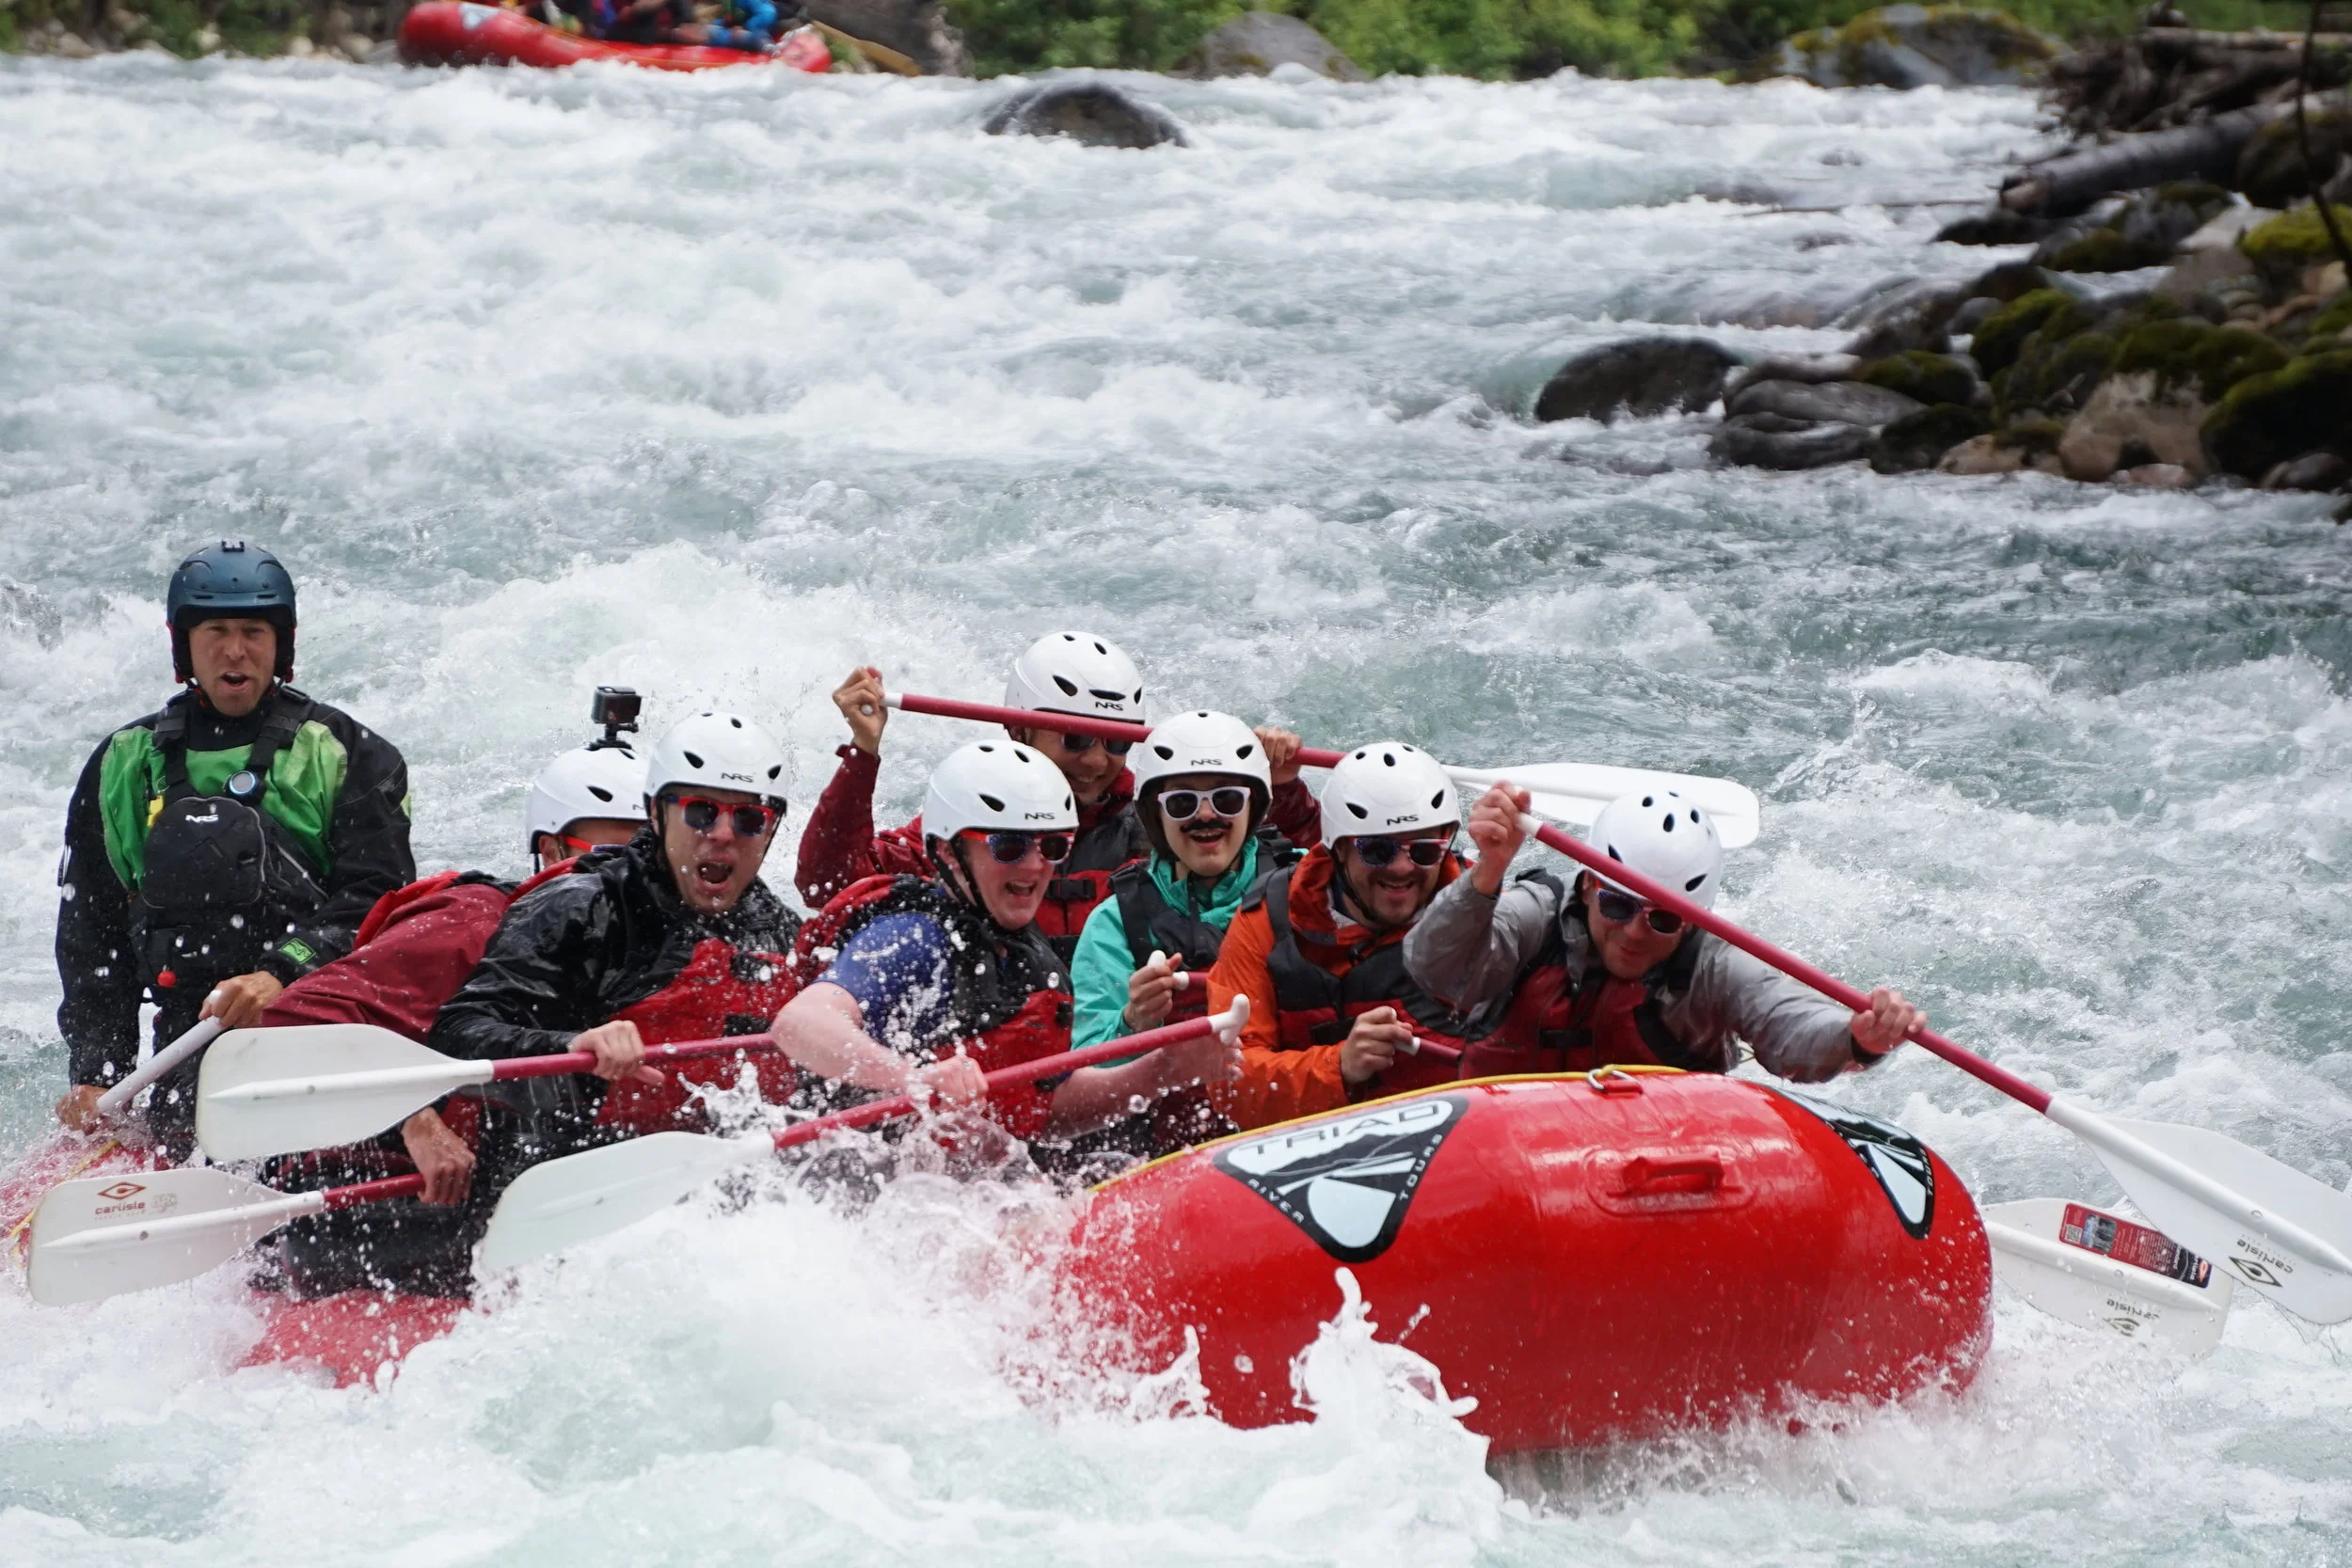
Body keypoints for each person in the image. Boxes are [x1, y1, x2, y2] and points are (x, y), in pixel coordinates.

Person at [53, 541, 414, 1155]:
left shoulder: (349, 752)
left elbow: (383, 907)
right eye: (216, 630)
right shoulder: (123, 764)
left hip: (321, 1026)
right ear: (184, 644)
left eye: (254, 630)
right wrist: (97, 1073)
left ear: (283, 643)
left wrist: (282, 972)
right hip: (188, 1040)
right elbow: (94, 934)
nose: (236, 650)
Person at [257, 735, 649, 1294]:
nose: (627, 880)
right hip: (361, 1196)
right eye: (608, 855)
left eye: (643, 861)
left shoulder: (642, 951)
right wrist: (413, 1120)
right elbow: (288, 1025)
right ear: (553, 851)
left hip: (494, 1187)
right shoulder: (471, 923)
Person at [773, 739, 1240, 1167]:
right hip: (848, 1181)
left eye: (1053, 846)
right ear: (948, 852)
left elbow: (1047, 1112)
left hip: (955, 1190)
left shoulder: (1029, 961)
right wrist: (914, 1080)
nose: (1036, 865)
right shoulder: (914, 937)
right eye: (1009, 846)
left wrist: (1160, 1069)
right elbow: (799, 1022)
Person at [796, 633, 1319, 962]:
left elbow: (1301, 881)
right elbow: (829, 885)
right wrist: (863, 753)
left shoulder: (1164, 816)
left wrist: (1284, 787)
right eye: (1074, 740)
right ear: (1018, 732)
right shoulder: (974, 820)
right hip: (1009, 1016)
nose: (1095, 761)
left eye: (1116, 743)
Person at [1406, 784, 1925, 1081]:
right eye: (1616, 904)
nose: (1634, 933)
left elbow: (1790, 1025)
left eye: (1663, 919)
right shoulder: (1537, 914)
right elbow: (1436, 971)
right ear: (1587, 886)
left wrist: (1857, 1038)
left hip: (1650, 1159)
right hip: (1506, 1140)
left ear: (1692, 920)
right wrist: (1488, 872)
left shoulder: (1713, 963)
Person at [1204, 742, 1495, 1131]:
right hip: (1318, 1146)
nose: (1401, 869)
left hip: (1459, 1138)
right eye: (1377, 850)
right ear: (1338, 849)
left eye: (1425, 851)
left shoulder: (1489, 911)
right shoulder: (1265, 922)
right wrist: (1340, 1066)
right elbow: (1228, 1083)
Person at [1067, 709, 1309, 1150]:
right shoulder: (1116, 921)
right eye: (1182, 803)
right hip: (1172, 1155)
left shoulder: (1306, 886)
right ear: (1154, 816)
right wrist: (1134, 1022)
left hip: (1296, 1127)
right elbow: (1087, 1073)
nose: (1205, 818)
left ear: (1254, 807)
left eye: (1227, 801)